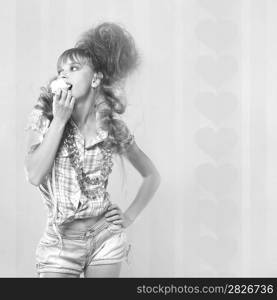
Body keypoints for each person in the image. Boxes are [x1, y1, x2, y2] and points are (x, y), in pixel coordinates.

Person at [24, 22, 161, 278]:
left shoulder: (111, 127)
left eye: (74, 68)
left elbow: (152, 176)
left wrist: (128, 217)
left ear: (96, 78)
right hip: (60, 245)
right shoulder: (43, 116)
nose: (64, 75)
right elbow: (34, 175)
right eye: (60, 70)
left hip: (105, 239)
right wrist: (60, 121)